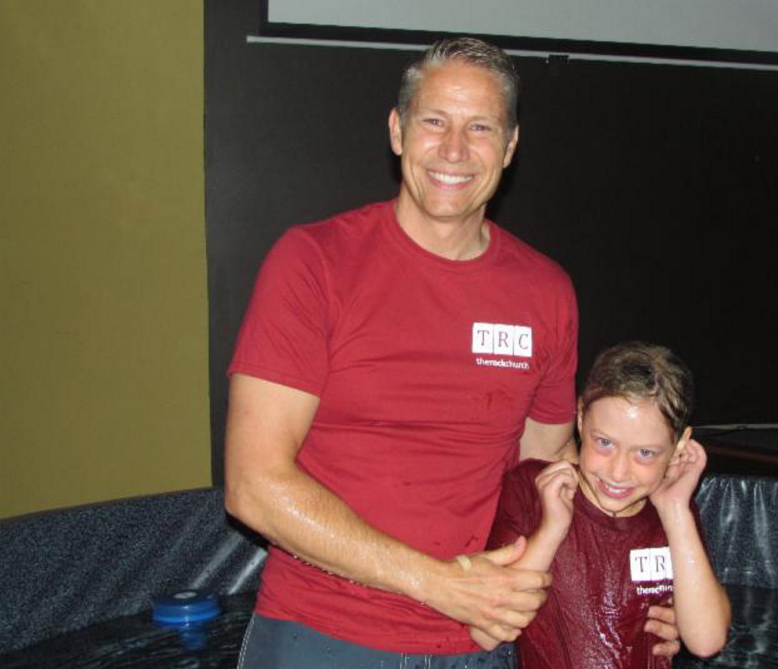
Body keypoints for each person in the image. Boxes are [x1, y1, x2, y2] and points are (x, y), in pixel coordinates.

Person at [223, 38, 681, 667]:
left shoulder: (545, 293)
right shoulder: (314, 264)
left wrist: (634, 590)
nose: (455, 150)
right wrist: (438, 583)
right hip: (325, 636)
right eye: (434, 121)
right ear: (397, 130)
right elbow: (254, 486)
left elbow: (551, 472)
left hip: (482, 645)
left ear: (511, 146)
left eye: (481, 127)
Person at [479, 341, 731, 667]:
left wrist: (676, 513)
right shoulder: (533, 490)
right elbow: (486, 633)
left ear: (680, 444)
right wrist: (552, 530)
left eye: (645, 453)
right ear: (581, 418)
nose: (619, 471)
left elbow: (707, 641)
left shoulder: (672, 511)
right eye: (605, 443)